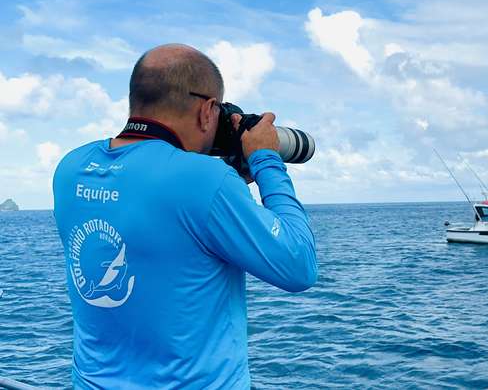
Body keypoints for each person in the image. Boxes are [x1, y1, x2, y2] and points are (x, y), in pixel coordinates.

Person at [52, 44, 318, 388]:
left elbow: (164, 216)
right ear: (208, 110)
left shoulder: (71, 167)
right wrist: (265, 160)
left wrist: (232, 181)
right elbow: (298, 265)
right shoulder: (205, 182)